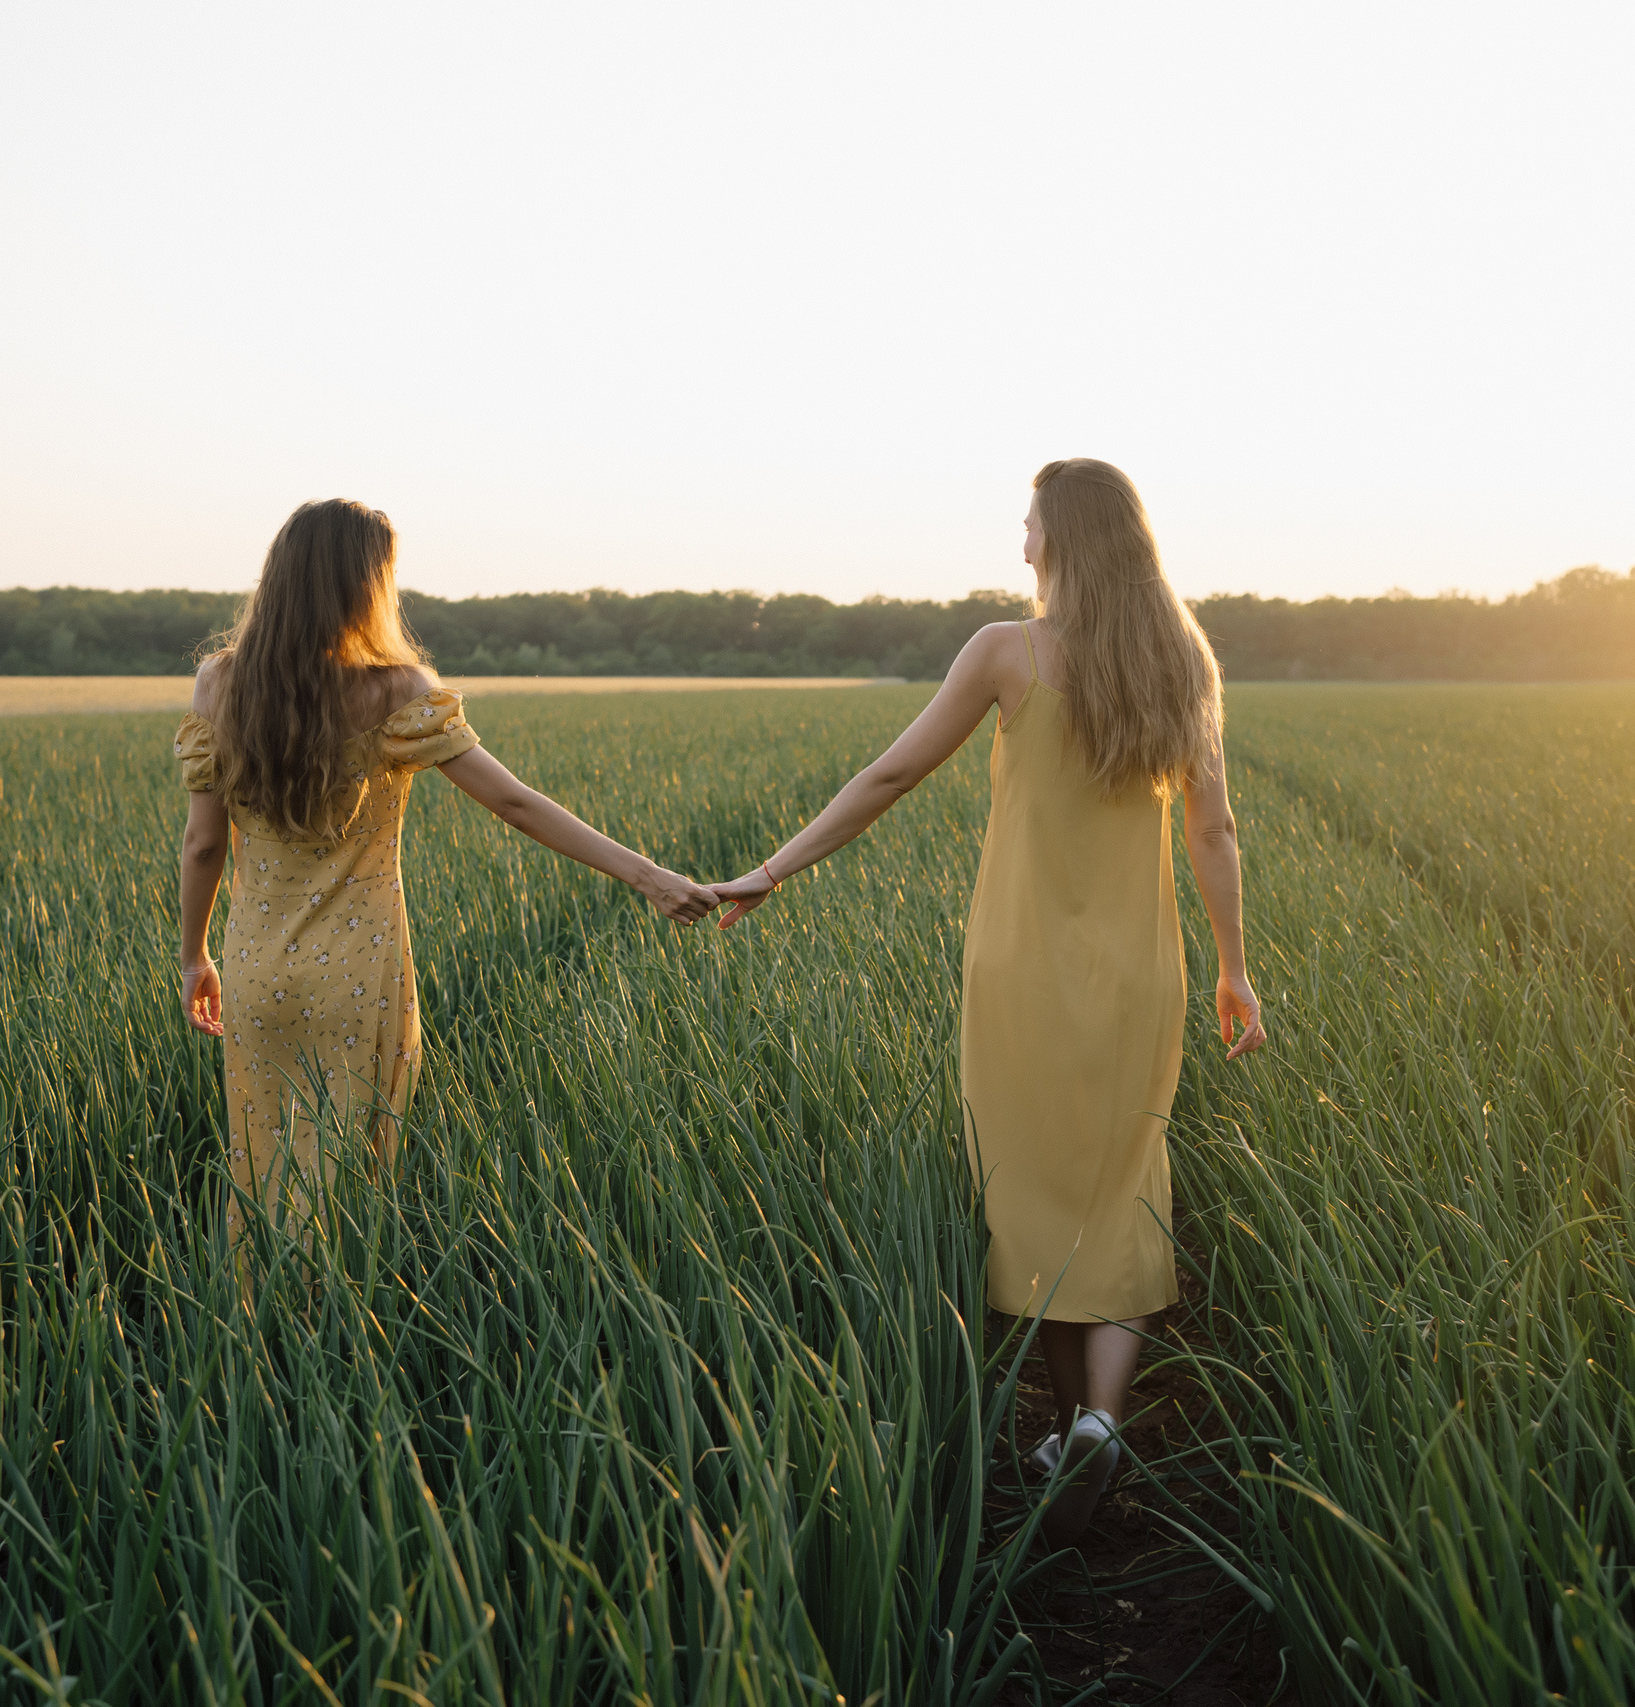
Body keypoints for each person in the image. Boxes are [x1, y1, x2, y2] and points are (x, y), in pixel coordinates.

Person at [712, 458, 1267, 1542]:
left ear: (1058, 537)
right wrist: (1233, 969)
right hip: (1141, 969)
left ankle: (1072, 1426)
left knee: (1031, 1192)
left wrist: (771, 870)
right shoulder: (1182, 661)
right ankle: (1099, 1424)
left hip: (1019, 968)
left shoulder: (1007, 653)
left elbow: (888, 776)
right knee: (1119, 1182)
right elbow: (1214, 830)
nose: (1019, 542)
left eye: (1027, 525)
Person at [175, 499, 718, 1236]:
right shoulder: (397, 690)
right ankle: (330, 1333)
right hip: (358, 975)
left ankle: (252, 1325)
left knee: (262, 1162)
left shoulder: (218, 682)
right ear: (367, 584)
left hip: (255, 969)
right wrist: (650, 877)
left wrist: (194, 956)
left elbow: (203, 844)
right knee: (350, 1185)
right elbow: (517, 804)